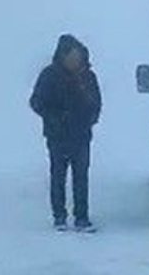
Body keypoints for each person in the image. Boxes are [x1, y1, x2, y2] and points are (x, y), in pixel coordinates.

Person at [30, 34, 102, 231]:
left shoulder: (88, 77)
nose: (74, 60)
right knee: (58, 177)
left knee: (81, 178)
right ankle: (59, 217)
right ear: (62, 56)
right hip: (57, 136)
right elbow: (36, 102)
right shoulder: (49, 75)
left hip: (81, 135)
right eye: (70, 56)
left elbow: (96, 101)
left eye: (77, 56)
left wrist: (91, 118)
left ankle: (81, 217)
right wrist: (53, 118)